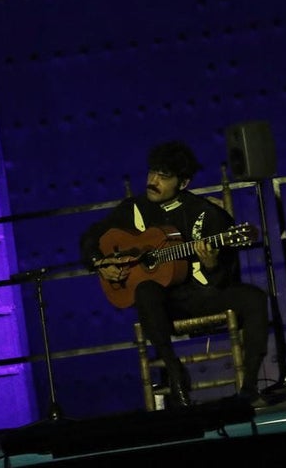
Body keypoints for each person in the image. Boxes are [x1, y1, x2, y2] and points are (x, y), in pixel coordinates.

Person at [79, 140, 270, 409]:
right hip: (162, 306)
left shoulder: (205, 213)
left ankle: (249, 389)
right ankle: (175, 373)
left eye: (164, 176)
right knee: (145, 289)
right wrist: (99, 263)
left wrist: (212, 264)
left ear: (183, 183)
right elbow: (90, 237)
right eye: (152, 173)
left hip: (200, 295)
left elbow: (226, 277)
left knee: (254, 298)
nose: (153, 181)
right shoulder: (133, 208)